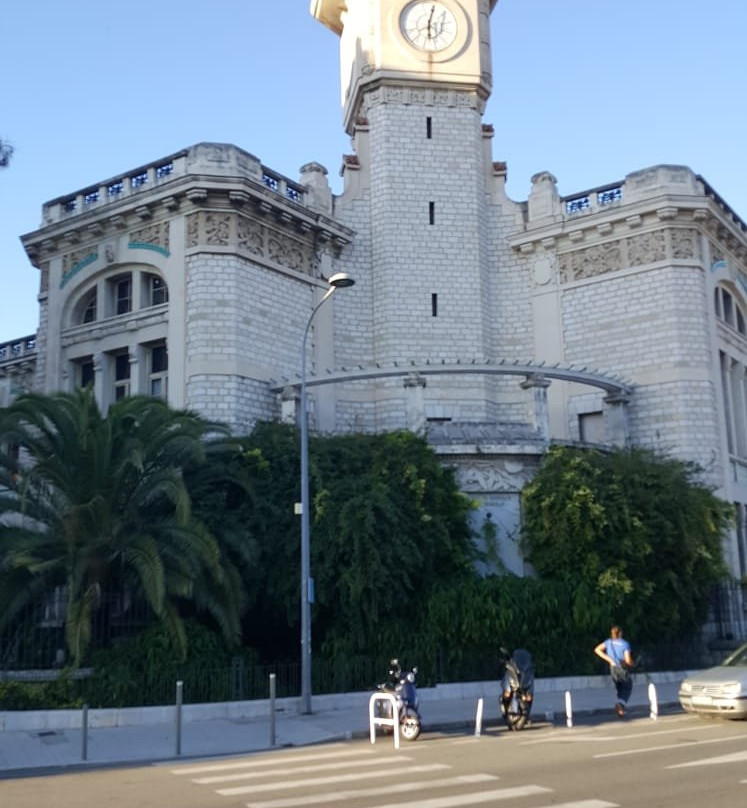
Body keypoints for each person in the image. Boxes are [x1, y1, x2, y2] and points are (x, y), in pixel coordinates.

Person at [594, 625, 634, 716]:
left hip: (612, 668)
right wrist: (632, 663)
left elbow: (597, 649)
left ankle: (621, 709)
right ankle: (620, 705)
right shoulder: (625, 644)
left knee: (620, 687)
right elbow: (627, 660)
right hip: (622, 668)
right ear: (620, 633)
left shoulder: (608, 642)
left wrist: (609, 659)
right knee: (627, 686)